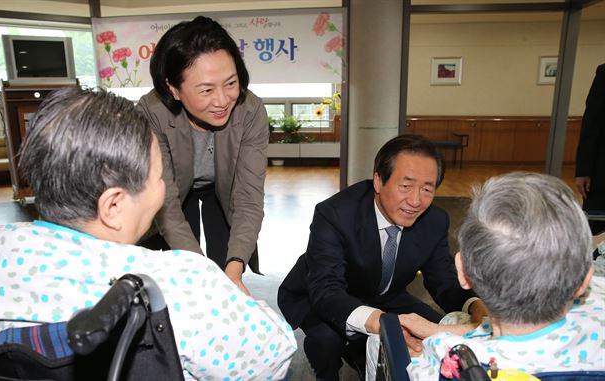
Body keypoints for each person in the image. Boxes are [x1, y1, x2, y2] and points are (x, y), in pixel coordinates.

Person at [0, 87, 296, 380]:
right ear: (114, 206)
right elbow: (275, 357)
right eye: (159, 176)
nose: (164, 186)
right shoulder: (180, 284)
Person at [278, 134, 486, 380]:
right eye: (405, 186)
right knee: (327, 341)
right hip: (323, 293)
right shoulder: (335, 213)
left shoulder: (434, 220)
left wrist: (475, 306)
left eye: (427, 188)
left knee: (439, 332)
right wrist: (383, 325)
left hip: (385, 294)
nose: (416, 200)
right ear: (378, 180)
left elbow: (444, 282)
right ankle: (328, 371)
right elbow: (326, 289)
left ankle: (362, 351)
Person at [400, 172, 605, 379]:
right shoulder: (598, 304)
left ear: (463, 272)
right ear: (584, 280)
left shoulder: (445, 359)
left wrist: (434, 335)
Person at [136, 16, 269, 295]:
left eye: (231, 83)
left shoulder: (250, 110)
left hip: (223, 188)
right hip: (172, 190)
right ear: (173, 88)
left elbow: (248, 198)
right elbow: (168, 206)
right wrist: (201, 274)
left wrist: (233, 271)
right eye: (206, 90)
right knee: (180, 273)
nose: (222, 100)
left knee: (228, 261)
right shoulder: (151, 113)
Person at [576, 63, 605, 234]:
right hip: (602, 170)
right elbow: (591, 123)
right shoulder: (604, 73)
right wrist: (583, 170)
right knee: (593, 227)